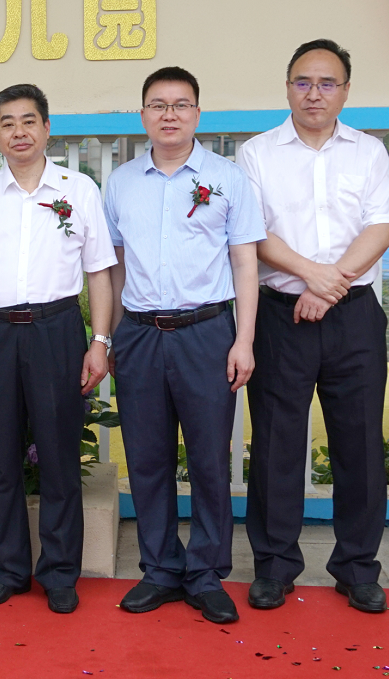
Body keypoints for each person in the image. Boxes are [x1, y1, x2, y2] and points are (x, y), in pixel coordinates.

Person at [237, 39, 389, 614]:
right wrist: (315, 277)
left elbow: (381, 225)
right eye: (303, 82)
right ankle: (274, 566)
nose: (315, 93)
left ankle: (357, 568)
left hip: (353, 316)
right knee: (276, 445)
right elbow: (253, 232)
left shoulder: (369, 152)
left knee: (360, 445)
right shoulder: (257, 153)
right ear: (287, 87)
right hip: (281, 316)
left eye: (327, 83)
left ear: (346, 91)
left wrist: (331, 287)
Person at [104, 66, 264, 625]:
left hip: (207, 332)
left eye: (180, 104)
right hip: (140, 333)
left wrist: (244, 340)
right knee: (146, 457)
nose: (169, 114)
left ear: (197, 112)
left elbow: (245, 262)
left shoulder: (228, 179)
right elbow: (116, 266)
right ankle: (160, 569)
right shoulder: (121, 183)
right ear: (143, 114)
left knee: (209, 458)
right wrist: (112, 335)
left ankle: (206, 573)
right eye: (158, 104)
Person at [0, 84, 116, 614]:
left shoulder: (79, 189)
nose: (19, 132)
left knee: (58, 456)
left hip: (56, 330)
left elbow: (99, 271)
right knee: (0, 457)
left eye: (29, 121)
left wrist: (99, 341)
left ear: (47, 128)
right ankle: (8, 569)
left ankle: (59, 571)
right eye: (7, 123)